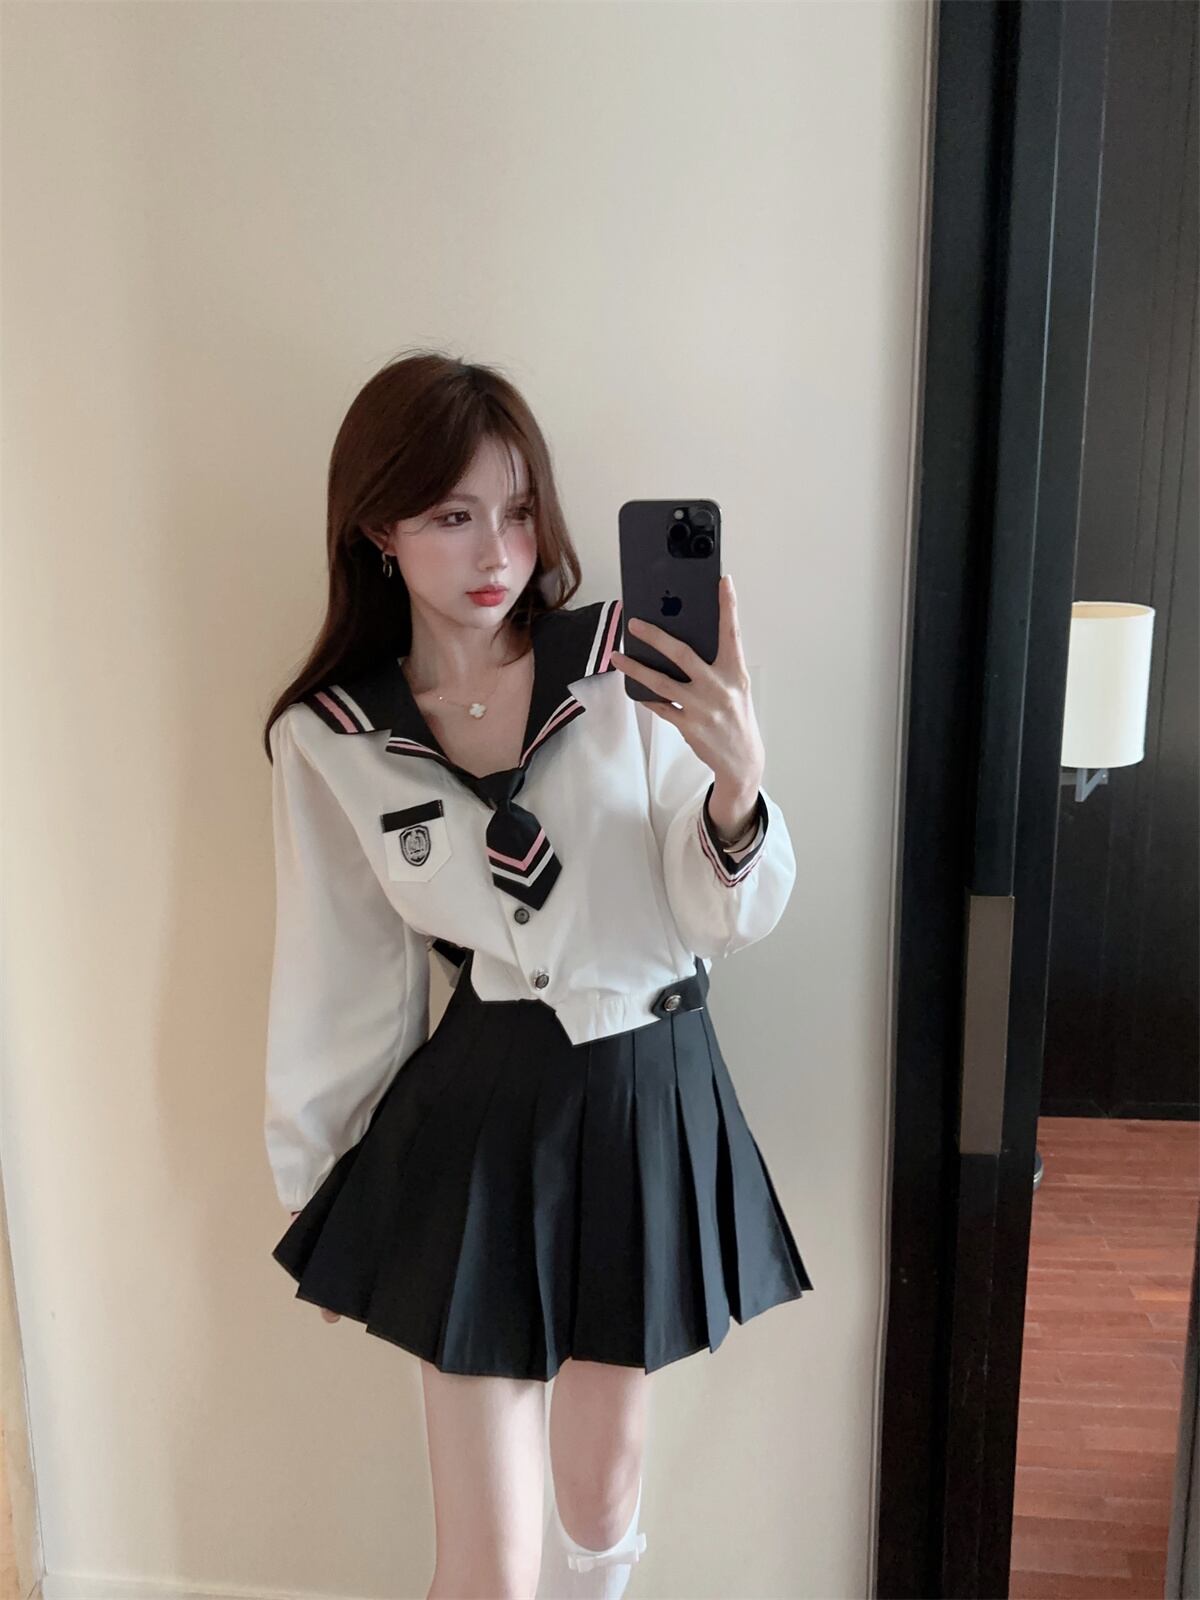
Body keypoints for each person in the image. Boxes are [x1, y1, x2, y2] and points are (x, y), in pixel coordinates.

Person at [261, 350, 814, 1600]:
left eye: (517, 510)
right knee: (490, 1564)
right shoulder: (335, 737)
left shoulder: (624, 667)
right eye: (452, 515)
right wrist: (320, 1182)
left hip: (646, 1085)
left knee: (602, 1505)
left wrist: (737, 784)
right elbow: (342, 975)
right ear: (379, 529)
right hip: (481, 1107)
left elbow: (718, 910)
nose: (496, 551)